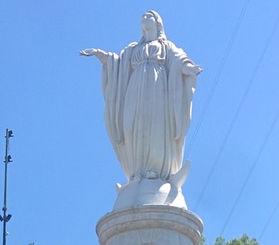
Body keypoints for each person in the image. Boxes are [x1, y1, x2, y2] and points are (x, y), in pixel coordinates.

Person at [81, 12, 201, 187]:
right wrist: (100, 55)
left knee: (155, 125)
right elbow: (117, 64)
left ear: (157, 23)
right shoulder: (132, 49)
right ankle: (137, 171)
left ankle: (154, 169)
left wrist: (189, 69)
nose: (144, 17)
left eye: (148, 16)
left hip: (157, 86)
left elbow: (179, 60)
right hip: (135, 88)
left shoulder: (165, 46)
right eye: (142, 17)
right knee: (132, 125)